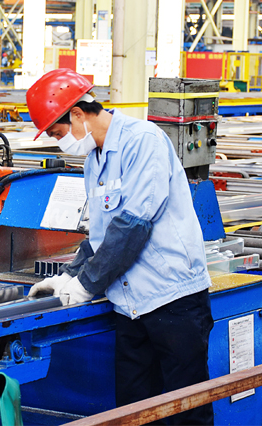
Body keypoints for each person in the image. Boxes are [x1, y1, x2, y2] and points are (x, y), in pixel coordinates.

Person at [26, 68, 214, 425]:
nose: (60, 142)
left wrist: (85, 285)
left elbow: (133, 226)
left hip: (173, 301)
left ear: (77, 114)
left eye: (58, 133)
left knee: (187, 411)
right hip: (130, 306)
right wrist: (67, 276)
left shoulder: (143, 141)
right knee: (133, 413)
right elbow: (101, 235)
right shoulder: (94, 162)